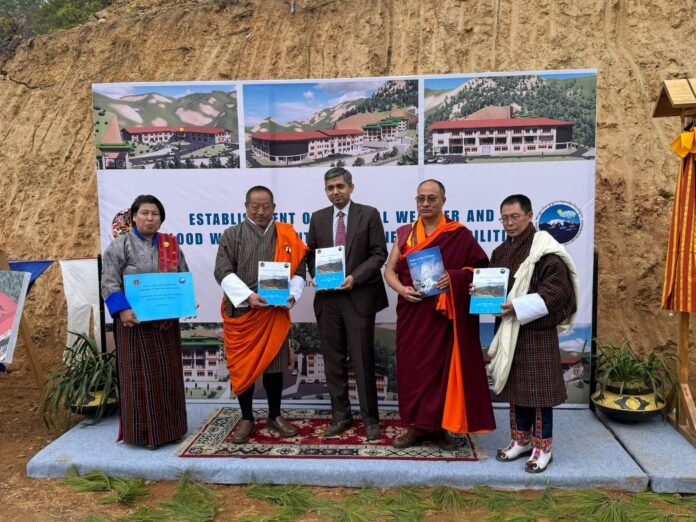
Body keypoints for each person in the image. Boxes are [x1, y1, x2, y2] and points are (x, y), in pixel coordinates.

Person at [384, 179, 495, 450]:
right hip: (412, 311)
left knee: (441, 372)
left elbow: (480, 270)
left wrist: (455, 277)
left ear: (443, 201)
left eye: (431, 198)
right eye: (420, 198)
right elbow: (389, 270)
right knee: (412, 369)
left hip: (444, 317)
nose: (425, 203)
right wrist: (401, 289)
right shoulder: (405, 233)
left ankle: (441, 428)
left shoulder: (458, 233)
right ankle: (416, 427)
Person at [487, 194, 579, 473]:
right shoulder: (500, 252)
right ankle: (520, 440)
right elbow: (494, 289)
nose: (509, 223)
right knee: (516, 390)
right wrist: (483, 295)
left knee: (539, 394)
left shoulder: (546, 251)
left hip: (536, 332)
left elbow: (557, 292)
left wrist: (517, 306)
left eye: (514, 216)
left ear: (529, 216)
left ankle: (542, 447)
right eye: (504, 218)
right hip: (509, 330)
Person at [214, 186, 308, 444]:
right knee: (243, 367)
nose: (260, 211)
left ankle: (275, 415)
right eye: (255, 206)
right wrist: (247, 296)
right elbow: (222, 270)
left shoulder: (286, 235)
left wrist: (293, 294)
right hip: (243, 312)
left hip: (274, 312)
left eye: (266, 206)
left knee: (274, 367)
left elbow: (300, 267)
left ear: (274, 208)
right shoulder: (232, 235)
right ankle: (246, 417)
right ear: (246, 207)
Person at [307, 167, 388, 441]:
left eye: (340, 186)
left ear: (351, 187)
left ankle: (370, 419)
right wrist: (317, 274)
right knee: (333, 362)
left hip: (359, 297)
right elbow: (310, 255)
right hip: (328, 300)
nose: (335, 192)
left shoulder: (369, 214)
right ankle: (341, 416)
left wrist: (355, 277)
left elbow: (379, 254)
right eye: (330, 188)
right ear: (325, 191)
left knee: (363, 361)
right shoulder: (318, 218)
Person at [101, 194, 188, 448]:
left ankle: (172, 430)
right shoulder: (119, 246)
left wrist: (185, 299)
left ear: (161, 219)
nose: (150, 218)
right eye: (145, 213)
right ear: (134, 217)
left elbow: (182, 276)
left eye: (155, 214)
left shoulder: (171, 246)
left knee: (168, 377)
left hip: (166, 325)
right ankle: (143, 434)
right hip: (134, 324)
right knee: (139, 379)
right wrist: (122, 311)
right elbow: (109, 282)